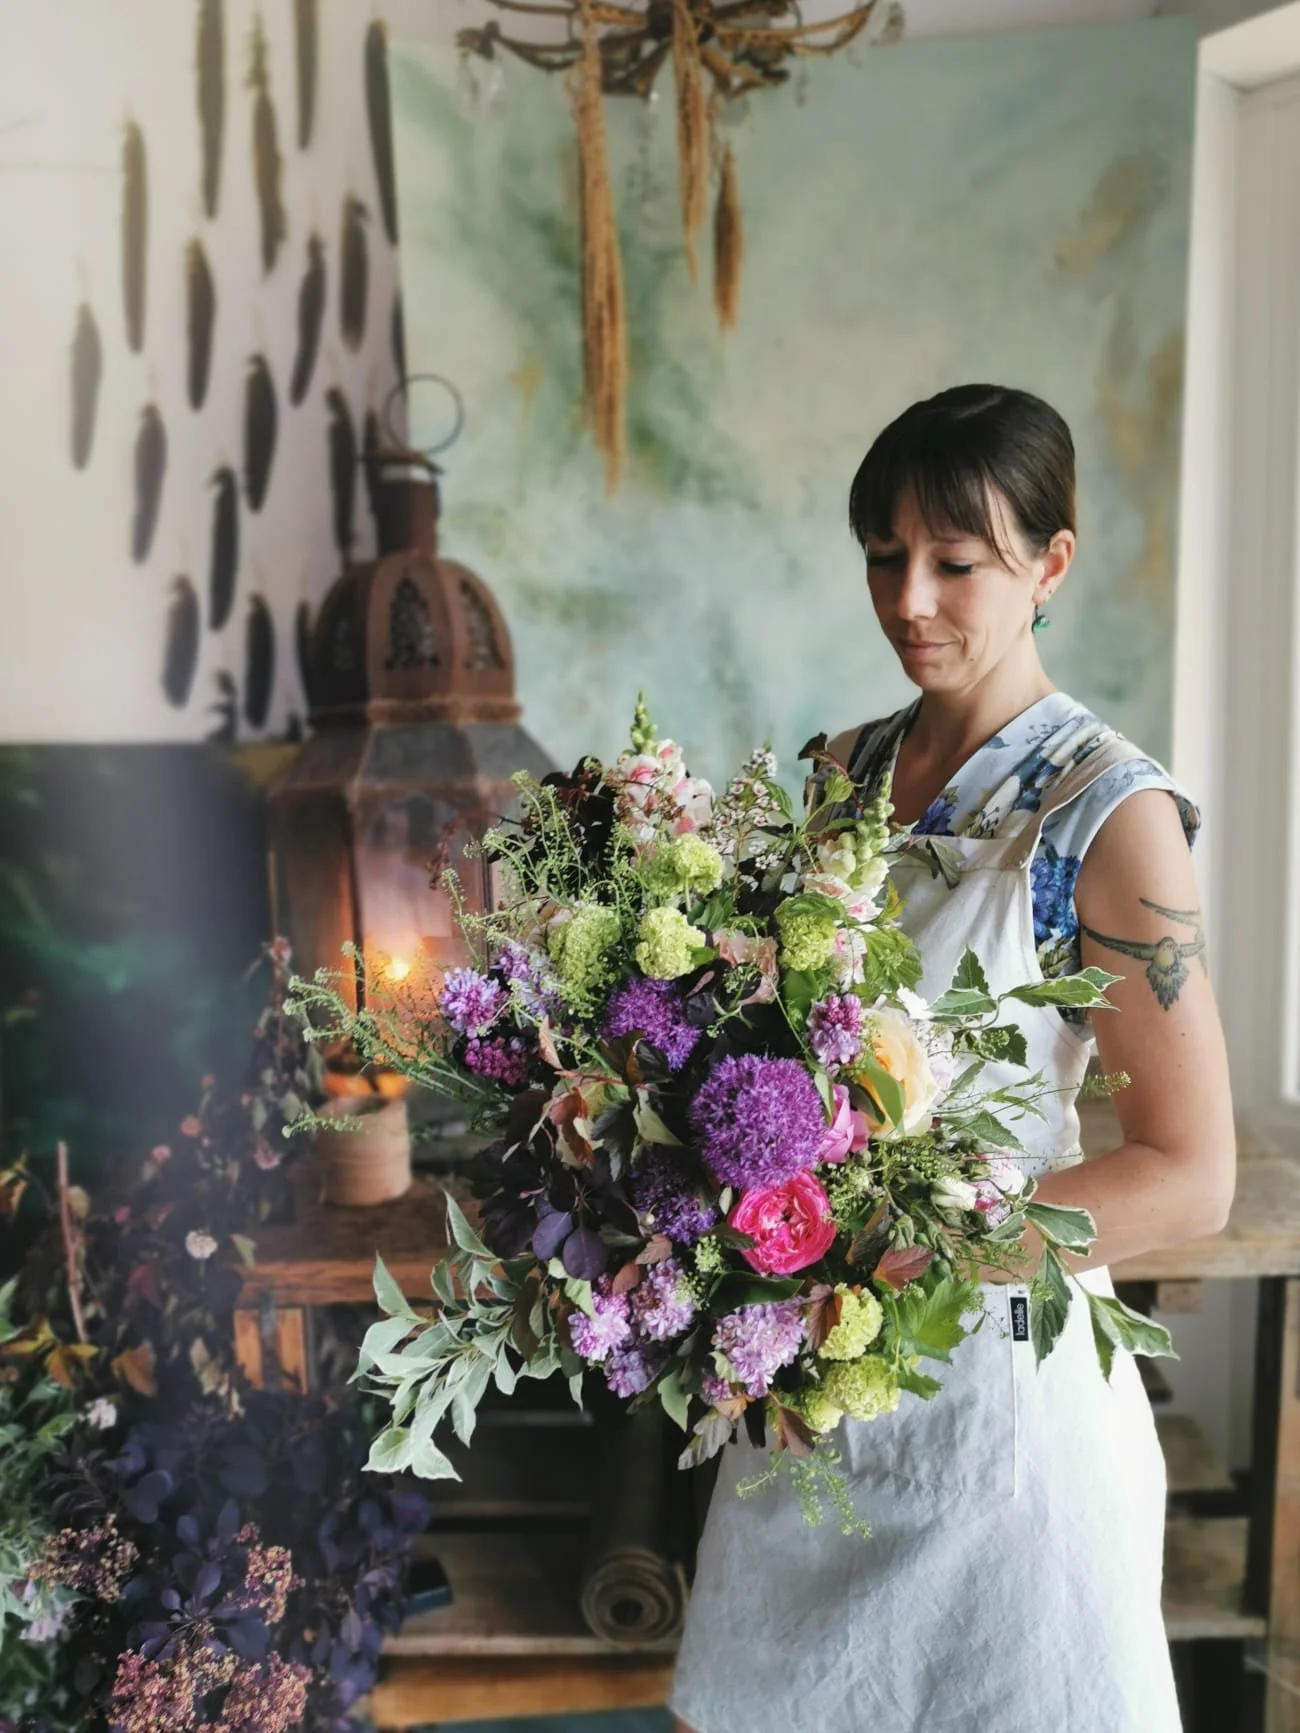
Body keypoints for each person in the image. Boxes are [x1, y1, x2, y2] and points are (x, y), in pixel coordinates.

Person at [668, 383, 1236, 1733]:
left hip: (1008, 1418)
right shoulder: (841, 776)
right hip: (813, 1402)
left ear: (1050, 564)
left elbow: (1191, 1175)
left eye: (955, 561)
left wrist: (920, 1255)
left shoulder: (1106, 811)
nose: (909, 597)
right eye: (884, 556)